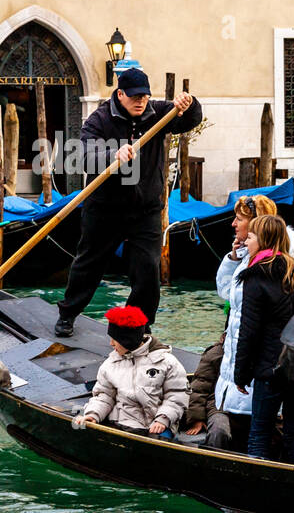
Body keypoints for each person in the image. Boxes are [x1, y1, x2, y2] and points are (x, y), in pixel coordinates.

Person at [54, 68, 201, 337]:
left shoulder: (158, 112)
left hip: (145, 209)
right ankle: (67, 314)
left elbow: (189, 121)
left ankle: (138, 325)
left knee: (147, 269)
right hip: (104, 209)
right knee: (89, 264)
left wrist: (188, 106)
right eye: (134, 96)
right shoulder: (99, 119)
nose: (140, 101)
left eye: (144, 96)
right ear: (120, 94)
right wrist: (113, 154)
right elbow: (83, 156)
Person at [212, 194, 294, 448]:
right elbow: (227, 292)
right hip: (262, 360)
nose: (233, 224)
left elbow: (252, 326)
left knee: (260, 431)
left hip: (263, 364)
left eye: (239, 219)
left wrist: (241, 375)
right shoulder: (252, 259)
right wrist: (234, 258)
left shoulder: (265, 268)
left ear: (257, 225)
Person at [233, 214, 294, 461]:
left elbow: (249, 330)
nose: (246, 242)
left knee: (260, 432)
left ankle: (256, 481)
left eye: (250, 236)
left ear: (262, 240)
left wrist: (240, 374)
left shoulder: (255, 276)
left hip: (269, 368)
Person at [77, 306, 189, 436]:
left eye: (115, 339)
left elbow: (177, 395)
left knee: (160, 442)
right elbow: (104, 396)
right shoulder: (110, 364)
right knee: (84, 428)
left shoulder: (167, 362)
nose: (111, 344)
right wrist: (93, 414)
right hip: (121, 421)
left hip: (157, 424)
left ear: (128, 340)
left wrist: (163, 419)